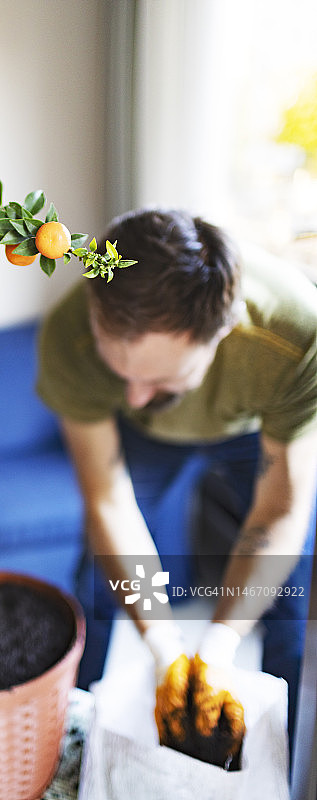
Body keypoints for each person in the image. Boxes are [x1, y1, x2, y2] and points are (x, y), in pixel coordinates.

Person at [36, 208, 317, 754]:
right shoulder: (69, 337)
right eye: (122, 372)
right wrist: (163, 643)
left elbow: (281, 509)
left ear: (227, 328)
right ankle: (78, 745)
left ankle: (283, 758)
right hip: (140, 442)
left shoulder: (297, 334)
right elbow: (108, 501)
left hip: (254, 428)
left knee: (293, 590)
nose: (136, 397)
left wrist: (218, 644)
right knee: (100, 580)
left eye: (161, 377)